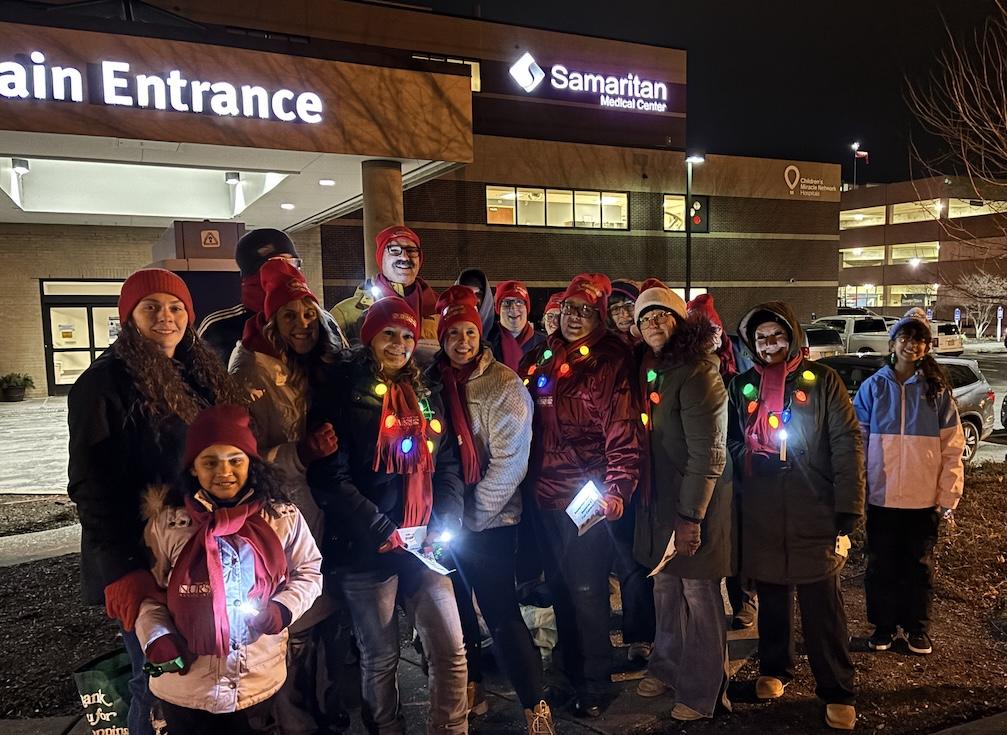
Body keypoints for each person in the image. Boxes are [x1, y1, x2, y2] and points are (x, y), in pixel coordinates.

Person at [67, 268, 248, 735]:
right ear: (129, 317)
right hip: (144, 558)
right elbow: (92, 486)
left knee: (201, 676)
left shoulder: (200, 372)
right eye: (151, 308)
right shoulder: (103, 384)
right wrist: (124, 570)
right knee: (157, 683)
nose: (166, 318)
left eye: (175, 307)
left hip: (196, 547)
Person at [308, 296, 468, 735]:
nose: (399, 344)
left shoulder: (428, 390)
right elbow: (329, 477)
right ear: (369, 338)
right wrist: (379, 527)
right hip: (368, 546)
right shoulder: (341, 391)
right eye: (388, 335)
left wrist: (443, 520)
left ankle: (450, 730)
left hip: (423, 544)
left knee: (451, 648)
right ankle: (387, 729)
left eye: (407, 336)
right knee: (379, 658)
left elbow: (448, 464)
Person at [135, 404, 323, 733]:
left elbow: (308, 571)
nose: (224, 471)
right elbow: (149, 594)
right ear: (193, 468)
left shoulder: (281, 517)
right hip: (186, 685)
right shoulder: (169, 524)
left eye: (235, 460)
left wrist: (283, 608)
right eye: (210, 462)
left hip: (254, 680)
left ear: (251, 463)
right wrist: (158, 636)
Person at [727, 302, 865, 732]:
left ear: (793, 336)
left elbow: (846, 442)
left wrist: (849, 505)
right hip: (764, 506)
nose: (771, 346)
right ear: (752, 344)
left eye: (778, 336)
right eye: (762, 339)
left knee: (821, 602)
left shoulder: (823, 381)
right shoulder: (742, 385)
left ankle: (837, 688)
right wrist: (749, 456)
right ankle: (775, 668)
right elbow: (730, 439)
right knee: (771, 597)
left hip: (812, 504)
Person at [427, 286, 554, 733]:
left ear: (480, 333)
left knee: (501, 613)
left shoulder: (503, 384)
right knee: (457, 613)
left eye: (468, 332)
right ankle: (473, 685)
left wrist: (473, 518)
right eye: (452, 334)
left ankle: (534, 705)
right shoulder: (431, 381)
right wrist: (446, 520)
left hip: (491, 519)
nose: (462, 341)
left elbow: (510, 463)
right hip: (444, 521)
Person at [228, 259, 347, 734]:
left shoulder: (312, 358)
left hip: (317, 503)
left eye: (307, 313)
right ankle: (291, 719)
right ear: (271, 319)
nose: (302, 323)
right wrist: (299, 453)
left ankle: (322, 706)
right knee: (292, 613)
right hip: (282, 509)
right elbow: (243, 458)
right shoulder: (249, 369)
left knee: (320, 608)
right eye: (290, 315)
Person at [521, 273, 644, 717]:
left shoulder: (610, 359)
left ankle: (594, 684)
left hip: (585, 494)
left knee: (588, 591)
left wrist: (618, 486)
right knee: (559, 589)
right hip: (544, 495)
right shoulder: (544, 355)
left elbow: (622, 425)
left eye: (585, 311)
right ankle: (570, 675)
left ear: (598, 315)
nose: (575, 318)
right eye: (570, 309)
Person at [631, 285, 733, 721]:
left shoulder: (697, 372)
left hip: (696, 499)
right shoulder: (654, 367)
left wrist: (691, 516)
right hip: (660, 499)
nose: (652, 323)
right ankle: (668, 665)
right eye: (645, 318)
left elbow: (708, 452)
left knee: (698, 590)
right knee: (664, 585)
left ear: (679, 321)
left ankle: (704, 689)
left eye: (661, 315)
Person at [853, 309, 964, 655]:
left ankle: (916, 628)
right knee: (881, 566)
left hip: (922, 501)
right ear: (892, 342)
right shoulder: (874, 388)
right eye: (905, 337)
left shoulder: (937, 392)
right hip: (882, 499)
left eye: (918, 339)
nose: (910, 345)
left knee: (918, 568)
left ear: (927, 347)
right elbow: (857, 442)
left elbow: (952, 448)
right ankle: (884, 627)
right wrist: (859, 489)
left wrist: (948, 496)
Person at [688, 294, 755, 630]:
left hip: (737, 462)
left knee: (737, 535)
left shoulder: (735, 370)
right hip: (706, 465)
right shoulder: (686, 370)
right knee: (710, 540)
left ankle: (744, 599)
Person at [330, 225, 439, 342]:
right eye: (394, 250)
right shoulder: (346, 314)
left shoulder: (442, 309)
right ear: (381, 257)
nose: (404, 257)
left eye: (411, 251)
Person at [487, 279, 546, 372]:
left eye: (519, 302)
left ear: (527, 308)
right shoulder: (486, 343)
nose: (513, 308)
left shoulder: (545, 344)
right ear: (498, 309)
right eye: (507, 303)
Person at [454, 267, 496, 334]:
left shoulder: (500, 335)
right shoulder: (445, 330)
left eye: (478, 294)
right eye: (467, 293)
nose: (473, 299)